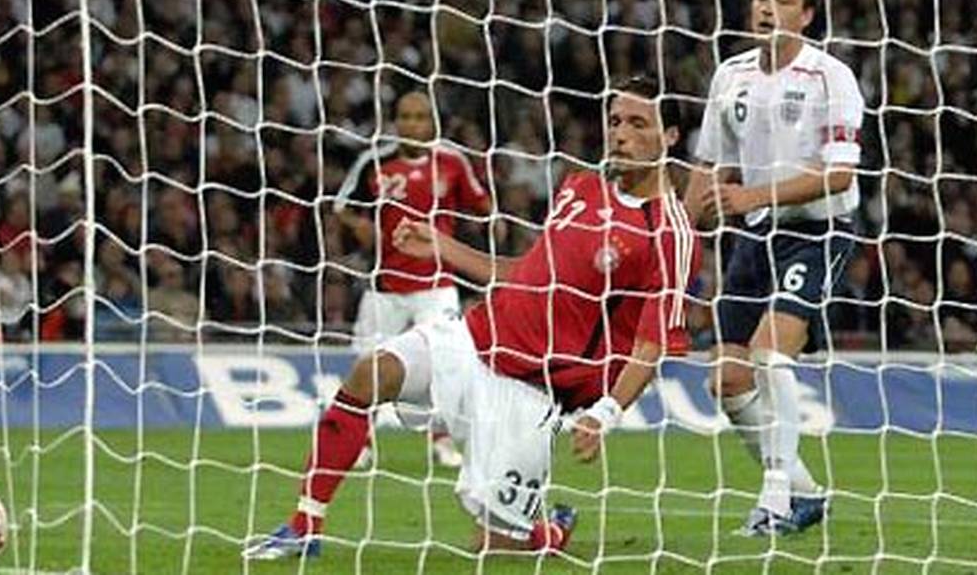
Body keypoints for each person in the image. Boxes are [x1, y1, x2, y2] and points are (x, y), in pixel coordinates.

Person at [243, 75, 701, 559]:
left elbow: (652, 344)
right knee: (371, 373)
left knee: (495, 548)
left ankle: (548, 531)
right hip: (475, 339)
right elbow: (526, 273)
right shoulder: (581, 187)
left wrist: (605, 413)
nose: (621, 134)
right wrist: (443, 246)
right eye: (614, 121)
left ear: (671, 136)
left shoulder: (670, 233)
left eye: (637, 124)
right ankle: (304, 525)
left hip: (533, 389)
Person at [684, 0, 865, 536]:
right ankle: (806, 493)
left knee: (769, 355)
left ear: (805, 16)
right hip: (755, 234)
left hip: (818, 232)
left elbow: (839, 175)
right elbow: (709, 166)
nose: (767, 7)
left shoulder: (830, 77)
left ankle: (777, 498)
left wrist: (749, 196)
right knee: (726, 380)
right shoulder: (731, 75)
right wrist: (679, 237)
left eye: (783, 0)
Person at [334, 91, 490, 468]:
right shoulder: (375, 161)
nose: (411, 124)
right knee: (368, 365)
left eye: (420, 117)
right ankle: (360, 443)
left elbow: (483, 205)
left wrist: (480, 228)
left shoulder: (452, 161)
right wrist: (358, 224)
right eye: (405, 117)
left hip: (438, 284)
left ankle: (442, 440)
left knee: (446, 364)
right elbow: (341, 205)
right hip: (385, 285)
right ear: (395, 122)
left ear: (432, 123)